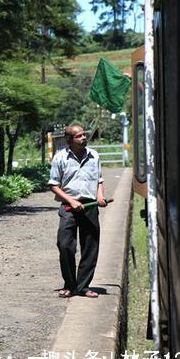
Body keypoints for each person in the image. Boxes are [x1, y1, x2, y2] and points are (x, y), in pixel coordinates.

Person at [48, 124, 106, 298]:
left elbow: (99, 180)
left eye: (84, 135)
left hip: (90, 206)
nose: (83, 138)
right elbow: (54, 185)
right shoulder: (60, 158)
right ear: (69, 140)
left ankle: (83, 286)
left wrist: (100, 196)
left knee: (90, 246)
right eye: (78, 136)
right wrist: (71, 201)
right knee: (64, 244)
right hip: (68, 206)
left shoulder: (94, 156)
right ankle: (69, 284)